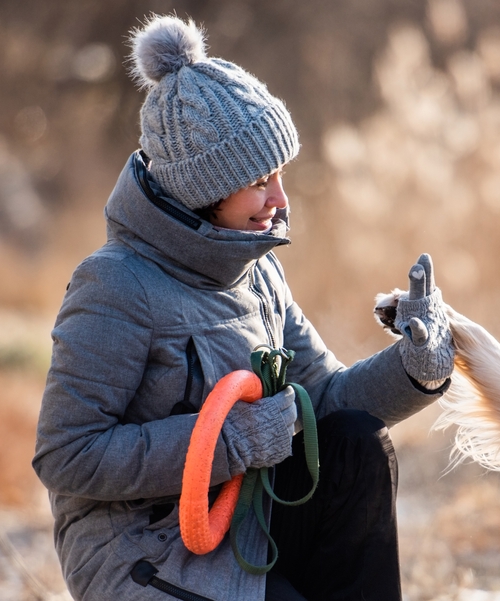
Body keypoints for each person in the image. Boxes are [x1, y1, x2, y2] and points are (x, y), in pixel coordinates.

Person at [32, 14, 454, 601]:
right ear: (202, 189)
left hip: (255, 527)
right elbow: (67, 456)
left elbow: (325, 402)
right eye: (260, 180)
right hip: (152, 557)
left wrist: (416, 368)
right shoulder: (114, 285)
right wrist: (231, 440)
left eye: (281, 175)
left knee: (355, 442)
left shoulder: (256, 270)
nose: (280, 200)